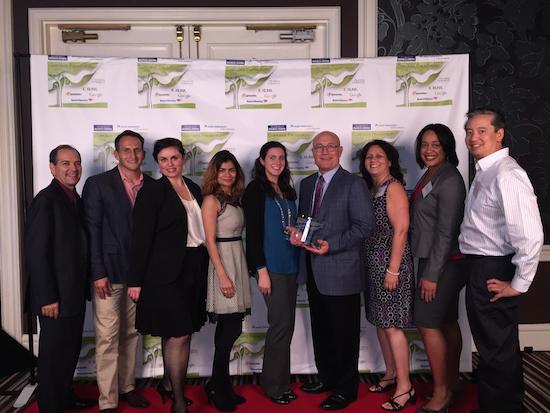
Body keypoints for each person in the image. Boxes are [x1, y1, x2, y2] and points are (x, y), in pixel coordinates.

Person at [459, 108, 543, 413]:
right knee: (494, 346)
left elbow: (530, 235)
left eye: (482, 130)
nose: (473, 137)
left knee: (496, 349)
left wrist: (518, 284)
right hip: (481, 265)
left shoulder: (507, 174)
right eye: (469, 131)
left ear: (499, 134)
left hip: (493, 267)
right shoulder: (487, 170)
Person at [290, 131, 373, 411]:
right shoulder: (307, 183)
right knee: (322, 330)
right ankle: (326, 378)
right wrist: (297, 234)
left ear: (339, 150)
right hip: (314, 271)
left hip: (342, 271)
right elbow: (306, 222)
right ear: (312, 153)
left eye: (330, 147)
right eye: (319, 148)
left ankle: (345, 389)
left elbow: (364, 226)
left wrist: (332, 245)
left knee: (344, 334)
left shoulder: (354, 184)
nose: (324, 152)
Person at [127, 138, 208, 413]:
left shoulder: (195, 189)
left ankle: (167, 383)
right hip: (164, 275)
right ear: (157, 163)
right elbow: (140, 240)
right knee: (179, 334)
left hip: (194, 268)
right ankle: (178, 400)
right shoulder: (152, 192)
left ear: (183, 159)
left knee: (178, 331)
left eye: (174, 158)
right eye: (164, 159)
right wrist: (135, 280)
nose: (170, 164)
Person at [82, 130, 152, 413]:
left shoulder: (152, 186)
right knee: (108, 337)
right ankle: (108, 401)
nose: (132, 155)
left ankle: (127, 387)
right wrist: (97, 272)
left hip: (138, 275)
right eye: (126, 150)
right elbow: (92, 230)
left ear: (143, 154)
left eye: (137, 150)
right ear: (116, 154)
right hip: (108, 275)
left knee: (132, 334)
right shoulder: (98, 184)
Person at [24, 145, 95, 413]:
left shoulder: (73, 199)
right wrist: (47, 297)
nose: (73, 168)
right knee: (53, 357)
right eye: (65, 163)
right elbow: (37, 253)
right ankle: (51, 406)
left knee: (68, 353)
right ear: (52, 168)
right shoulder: (46, 200)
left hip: (73, 294)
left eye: (76, 163)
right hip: (54, 297)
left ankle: (64, 397)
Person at [409, 125, 466, 413]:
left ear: (446, 147)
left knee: (428, 323)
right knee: (445, 322)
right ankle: (452, 382)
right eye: (424, 144)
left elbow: (446, 232)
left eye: (435, 145)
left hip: (441, 264)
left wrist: (431, 274)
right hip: (434, 260)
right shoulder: (433, 174)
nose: (429, 150)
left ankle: (442, 394)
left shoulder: (450, 179)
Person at [359, 140, 415, 412]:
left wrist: (392, 269)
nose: (373, 160)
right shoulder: (372, 189)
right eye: (369, 156)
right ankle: (391, 373)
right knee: (381, 323)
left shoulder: (393, 187)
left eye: (379, 155)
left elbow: (401, 230)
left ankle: (406, 386)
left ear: (390, 160)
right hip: (373, 263)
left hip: (391, 265)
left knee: (392, 325)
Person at [242, 142, 300, 405]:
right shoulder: (255, 190)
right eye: (272, 157)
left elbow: (290, 225)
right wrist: (261, 271)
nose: (277, 161)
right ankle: (273, 386)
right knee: (280, 325)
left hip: (291, 264)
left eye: (281, 157)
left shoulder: (287, 189)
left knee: (287, 325)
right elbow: (252, 235)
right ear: (262, 160)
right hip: (271, 267)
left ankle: (280, 380)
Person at [201, 150, 251, 412]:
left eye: (232, 170)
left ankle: (218, 384)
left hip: (237, 261)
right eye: (222, 170)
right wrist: (222, 274)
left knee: (229, 331)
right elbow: (209, 240)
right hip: (222, 264)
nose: (228, 174)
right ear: (214, 173)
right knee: (229, 331)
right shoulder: (211, 201)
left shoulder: (235, 199)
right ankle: (218, 388)